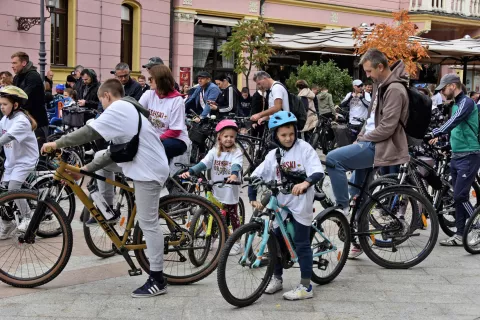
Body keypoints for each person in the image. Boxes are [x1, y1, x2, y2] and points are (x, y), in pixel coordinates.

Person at [41, 78, 170, 298]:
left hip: (148, 169)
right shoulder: (127, 109)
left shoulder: (118, 108)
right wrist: (85, 170)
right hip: (137, 161)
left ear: (106, 96)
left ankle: (158, 278)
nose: (102, 107)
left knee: (148, 223)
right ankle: (108, 208)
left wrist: (57, 143)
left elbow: (88, 132)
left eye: (102, 102)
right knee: (100, 155)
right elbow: (113, 152)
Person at [326, 49, 410, 258]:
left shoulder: (395, 90)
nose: (367, 76)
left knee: (333, 159)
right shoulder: (381, 87)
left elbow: (388, 127)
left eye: (369, 71)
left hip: (380, 146)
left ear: (380, 67)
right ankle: (358, 241)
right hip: (371, 142)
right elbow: (370, 120)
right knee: (359, 193)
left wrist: (364, 139)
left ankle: (342, 209)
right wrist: (360, 135)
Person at [248, 111, 324, 300]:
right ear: (276, 136)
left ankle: (306, 287)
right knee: (276, 240)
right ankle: (277, 278)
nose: (288, 138)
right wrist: (251, 195)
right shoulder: (273, 155)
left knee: (301, 242)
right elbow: (256, 175)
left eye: (291, 133)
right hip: (281, 202)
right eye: (283, 135)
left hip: (301, 202)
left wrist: (305, 184)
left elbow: (317, 172)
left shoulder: (304, 148)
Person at [427, 74, 480, 246]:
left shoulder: (466, 102)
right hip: (457, 155)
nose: (442, 92)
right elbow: (457, 130)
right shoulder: (456, 104)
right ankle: (459, 235)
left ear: (453, 85)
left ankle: (477, 228)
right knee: (459, 197)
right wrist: (445, 144)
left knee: (460, 196)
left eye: (444, 88)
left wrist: (436, 132)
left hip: (469, 155)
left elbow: (454, 121)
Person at [180, 119, 244, 254]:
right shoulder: (214, 151)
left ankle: (237, 240)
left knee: (233, 216)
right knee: (213, 213)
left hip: (230, 189)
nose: (229, 139)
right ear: (219, 137)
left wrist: (233, 175)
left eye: (232, 137)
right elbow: (204, 163)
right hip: (216, 188)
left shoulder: (236, 152)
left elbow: (236, 164)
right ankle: (213, 236)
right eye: (226, 136)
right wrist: (190, 172)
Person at [0, 86, 39, 239]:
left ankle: (28, 218)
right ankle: (8, 222)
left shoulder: (21, 121)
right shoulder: (5, 119)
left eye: (5, 104)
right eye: (0, 104)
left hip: (25, 161)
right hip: (12, 161)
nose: (2, 107)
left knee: (13, 188)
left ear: (15, 105)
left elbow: (6, 138)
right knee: (3, 192)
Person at [139, 65, 190, 161]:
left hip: (176, 139)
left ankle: (160, 174)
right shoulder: (148, 94)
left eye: (151, 79)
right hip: (155, 137)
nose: (149, 81)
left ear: (160, 80)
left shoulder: (177, 100)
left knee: (158, 149)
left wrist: (154, 139)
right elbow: (137, 113)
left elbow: (175, 131)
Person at [11, 52, 49, 150]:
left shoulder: (33, 76)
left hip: (36, 121)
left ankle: (44, 165)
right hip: (22, 119)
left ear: (23, 63)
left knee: (39, 151)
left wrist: (13, 104)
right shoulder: (17, 77)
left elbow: (24, 97)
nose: (12, 66)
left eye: (15, 63)